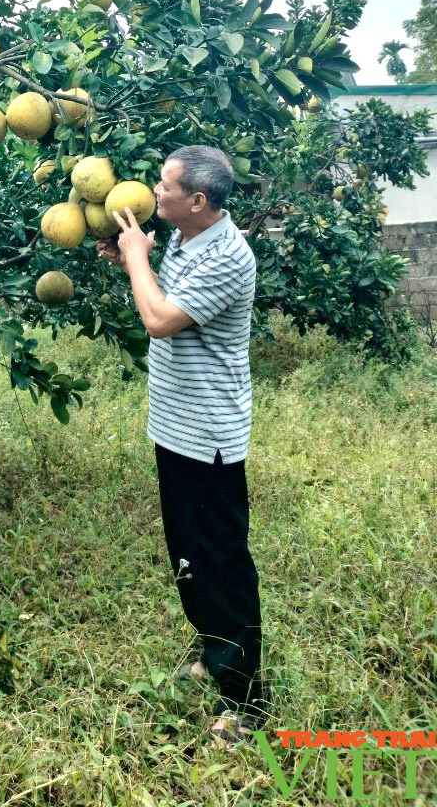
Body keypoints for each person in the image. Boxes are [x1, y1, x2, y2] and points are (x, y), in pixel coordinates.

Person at [97, 145, 265, 744]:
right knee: (189, 558)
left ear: (197, 200)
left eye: (165, 186)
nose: (152, 192)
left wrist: (138, 258)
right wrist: (131, 262)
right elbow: (167, 298)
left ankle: (246, 702)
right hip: (175, 427)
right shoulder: (188, 240)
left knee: (221, 562)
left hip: (209, 438)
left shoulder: (229, 256)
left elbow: (161, 319)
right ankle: (209, 652)